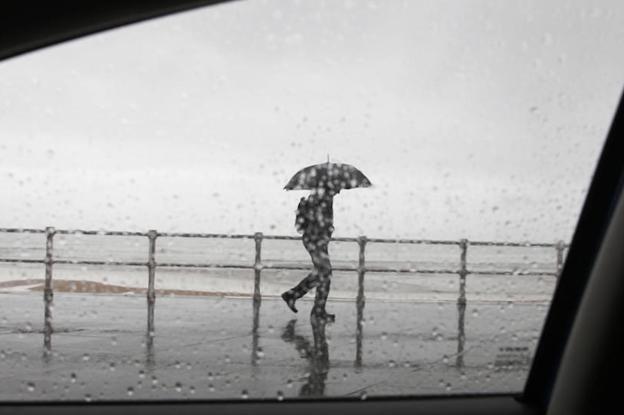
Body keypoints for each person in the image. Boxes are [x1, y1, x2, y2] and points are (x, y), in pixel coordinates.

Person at [281, 185, 340, 321]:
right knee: (325, 273)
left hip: (317, 240)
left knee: (323, 274)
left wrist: (328, 228)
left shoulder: (324, 197)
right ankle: (312, 308)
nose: (340, 189)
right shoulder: (320, 198)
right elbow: (316, 220)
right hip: (314, 240)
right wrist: (326, 227)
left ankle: (302, 300)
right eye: (338, 185)